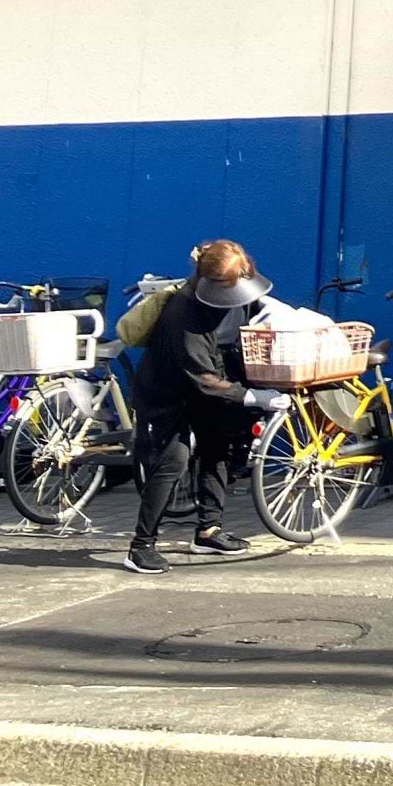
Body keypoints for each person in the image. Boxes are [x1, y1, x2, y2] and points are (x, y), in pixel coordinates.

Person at [123, 239, 289, 574]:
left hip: (211, 384)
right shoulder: (183, 312)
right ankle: (140, 547)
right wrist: (254, 397)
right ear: (210, 282)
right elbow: (204, 378)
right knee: (173, 461)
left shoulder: (239, 296)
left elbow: (246, 321)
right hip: (167, 392)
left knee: (218, 447)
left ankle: (209, 531)